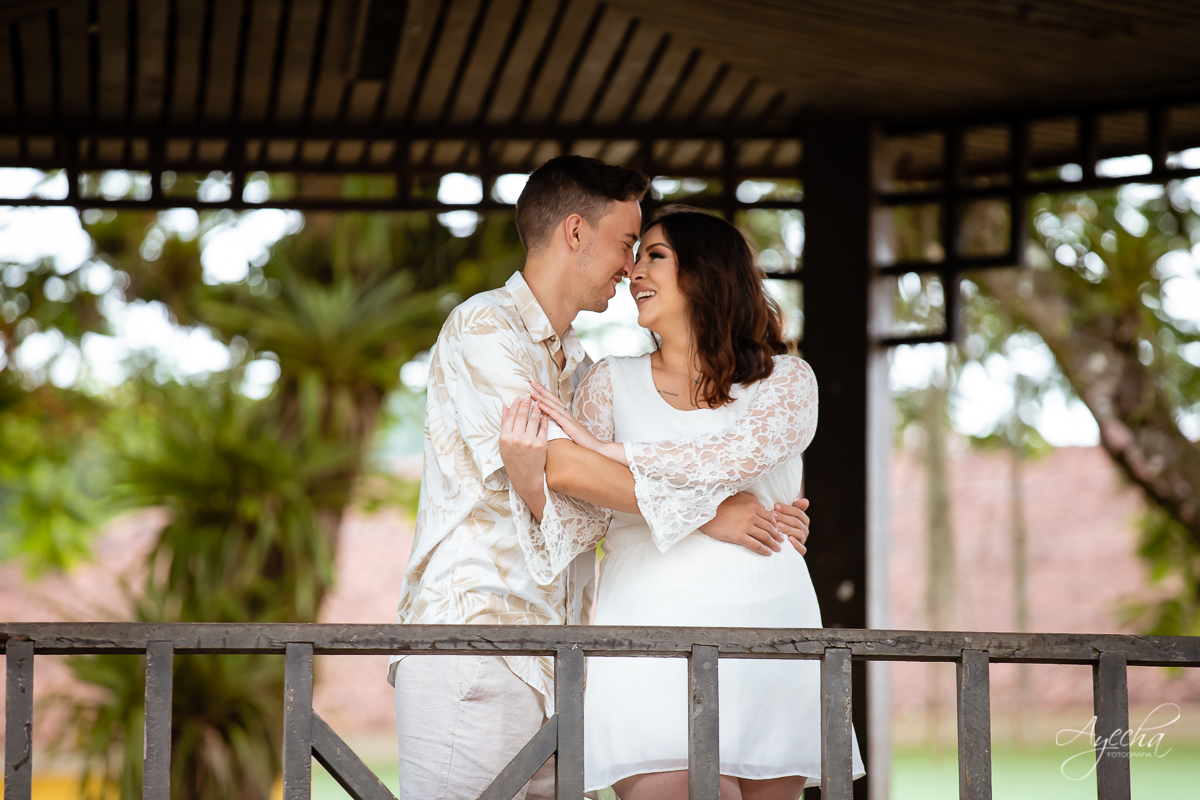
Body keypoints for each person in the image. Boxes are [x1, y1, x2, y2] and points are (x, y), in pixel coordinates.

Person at [389, 157, 813, 800]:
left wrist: (771, 506)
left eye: (647, 253)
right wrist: (711, 513)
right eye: (626, 244)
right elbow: (566, 466)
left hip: (562, 661)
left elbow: (586, 481)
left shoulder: (579, 368)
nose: (630, 266)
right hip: (480, 646)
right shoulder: (486, 328)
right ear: (575, 232)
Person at [499, 207, 866, 800]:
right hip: (649, 643)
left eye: (654, 255)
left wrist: (608, 450)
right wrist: (530, 477)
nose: (633, 270)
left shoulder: (788, 382)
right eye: (634, 254)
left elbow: (728, 459)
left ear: (707, 272)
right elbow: (577, 523)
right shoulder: (607, 384)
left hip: (773, 635)